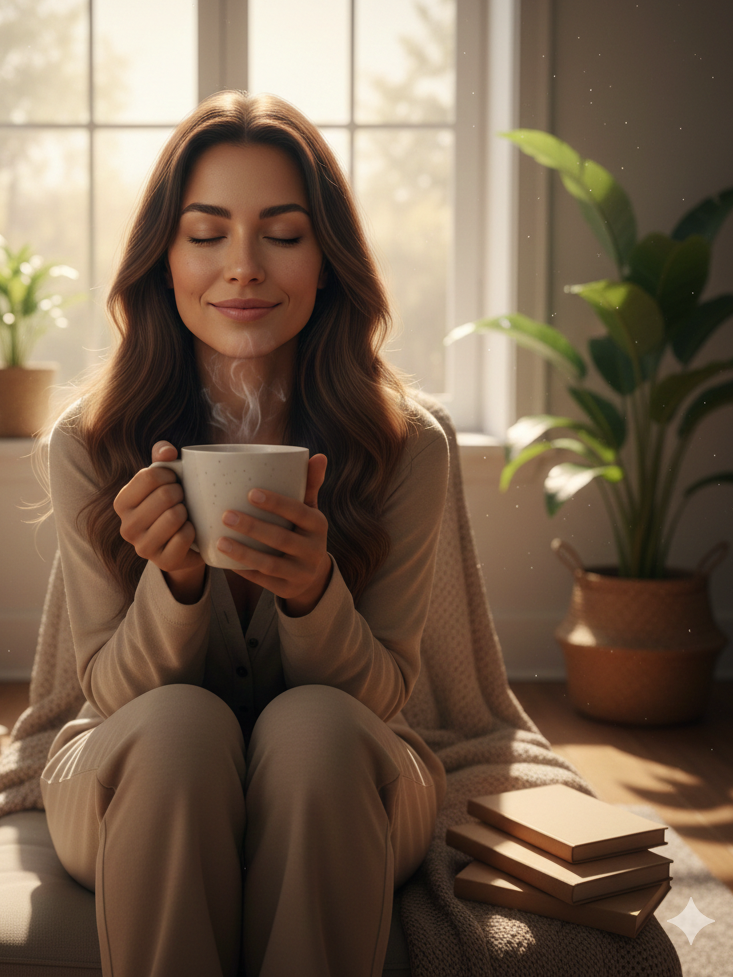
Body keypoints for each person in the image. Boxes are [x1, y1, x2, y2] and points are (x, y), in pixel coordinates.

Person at [39, 91, 450, 977]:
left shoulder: (405, 446)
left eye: (284, 233)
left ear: (328, 262)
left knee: (314, 729)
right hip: (129, 764)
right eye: (207, 232)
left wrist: (312, 592)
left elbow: (379, 697)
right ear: (165, 259)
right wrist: (177, 586)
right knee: (180, 729)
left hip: (352, 767)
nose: (244, 268)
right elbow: (110, 696)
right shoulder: (89, 443)